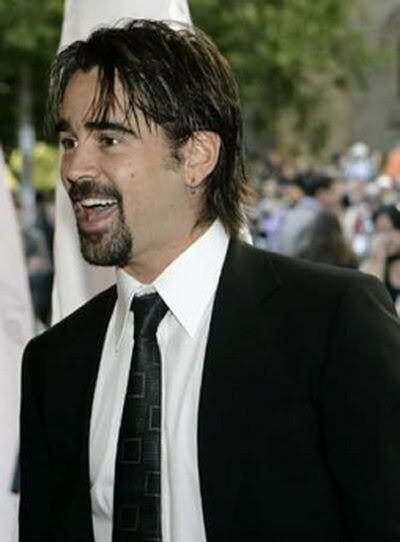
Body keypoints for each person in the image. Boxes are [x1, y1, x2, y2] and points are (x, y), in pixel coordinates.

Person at [19, 20, 400, 542]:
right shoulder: (54, 362)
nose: (74, 167)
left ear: (197, 156)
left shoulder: (331, 324)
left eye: (109, 138)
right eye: (69, 140)